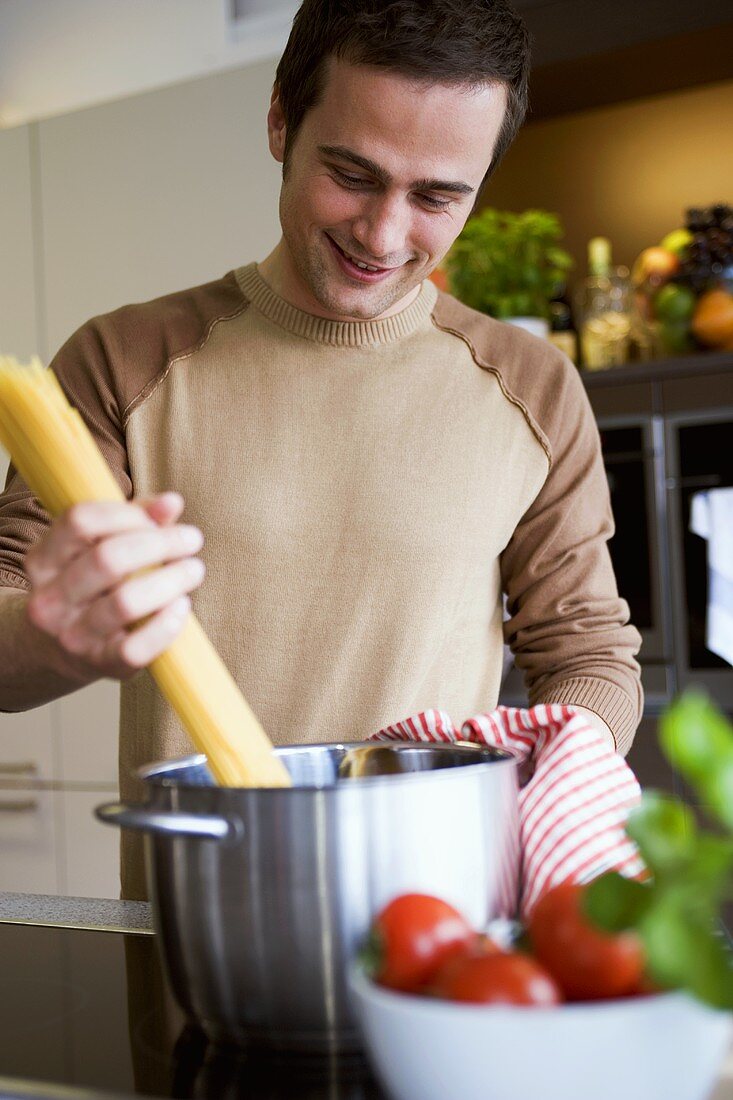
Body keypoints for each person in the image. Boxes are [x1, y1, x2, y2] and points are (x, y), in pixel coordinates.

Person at [0, 0, 642, 900]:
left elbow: (588, 653)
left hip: (444, 931)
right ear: (279, 122)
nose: (382, 236)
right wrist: (56, 636)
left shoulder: (528, 387)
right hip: (200, 928)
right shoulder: (123, 360)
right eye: (351, 173)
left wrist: (560, 763)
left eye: (436, 197)